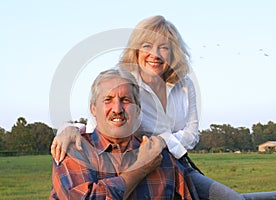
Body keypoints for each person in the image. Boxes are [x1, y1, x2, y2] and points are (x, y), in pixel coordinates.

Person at [51, 15, 243, 199]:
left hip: (174, 163)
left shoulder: (184, 85)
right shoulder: (127, 84)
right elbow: (101, 122)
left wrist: (162, 142)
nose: (155, 54)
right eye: (147, 46)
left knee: (229, 197)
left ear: (174, 52)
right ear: (136, 50)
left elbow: (192, 134)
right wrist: (69, 128)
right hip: (132, 161)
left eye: (164, 47)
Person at [50, 69, 193, 199]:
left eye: (126, 100)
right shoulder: (75, 150)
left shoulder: (162, 158)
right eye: (108, 100)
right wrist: (141, 167)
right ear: (93, 109)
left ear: (137, 110)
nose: (117, 109)